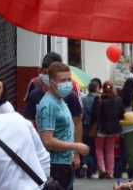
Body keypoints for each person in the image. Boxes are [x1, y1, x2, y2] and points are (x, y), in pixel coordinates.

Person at [36, 61, 89, 190]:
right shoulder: (48, 105)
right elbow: (47, 141)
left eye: (69, 79)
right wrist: (75, 146)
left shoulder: (60, 100)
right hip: (55, 166)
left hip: (65, 164)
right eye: (62, 80)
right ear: (52, 82)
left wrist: (74, 153)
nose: (67, 83)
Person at [24, 52, 83, 149]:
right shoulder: (34, 86)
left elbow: (77, 121)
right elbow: (29, 118)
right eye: (46, 73)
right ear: (42, 71)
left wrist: (76, 151)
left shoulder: (70, 90)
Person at [92, 80, 125, 179]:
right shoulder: (119, 99)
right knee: (110, 151)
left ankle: (102, 170)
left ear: (103, 88)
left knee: (99, 149)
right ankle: (110, 172)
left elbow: (95, 114)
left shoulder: (99, 99)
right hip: (114, 129)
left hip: (101, 128)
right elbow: (121, 114)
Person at [81, 78, 101, 178]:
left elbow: (82, 113)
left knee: (85, 145)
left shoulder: (83, 99)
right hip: (94, 126)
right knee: (93, 148)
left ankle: (84, 163)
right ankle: (92, 169)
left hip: (84, 125)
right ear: (96, 88)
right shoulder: (98, 99)